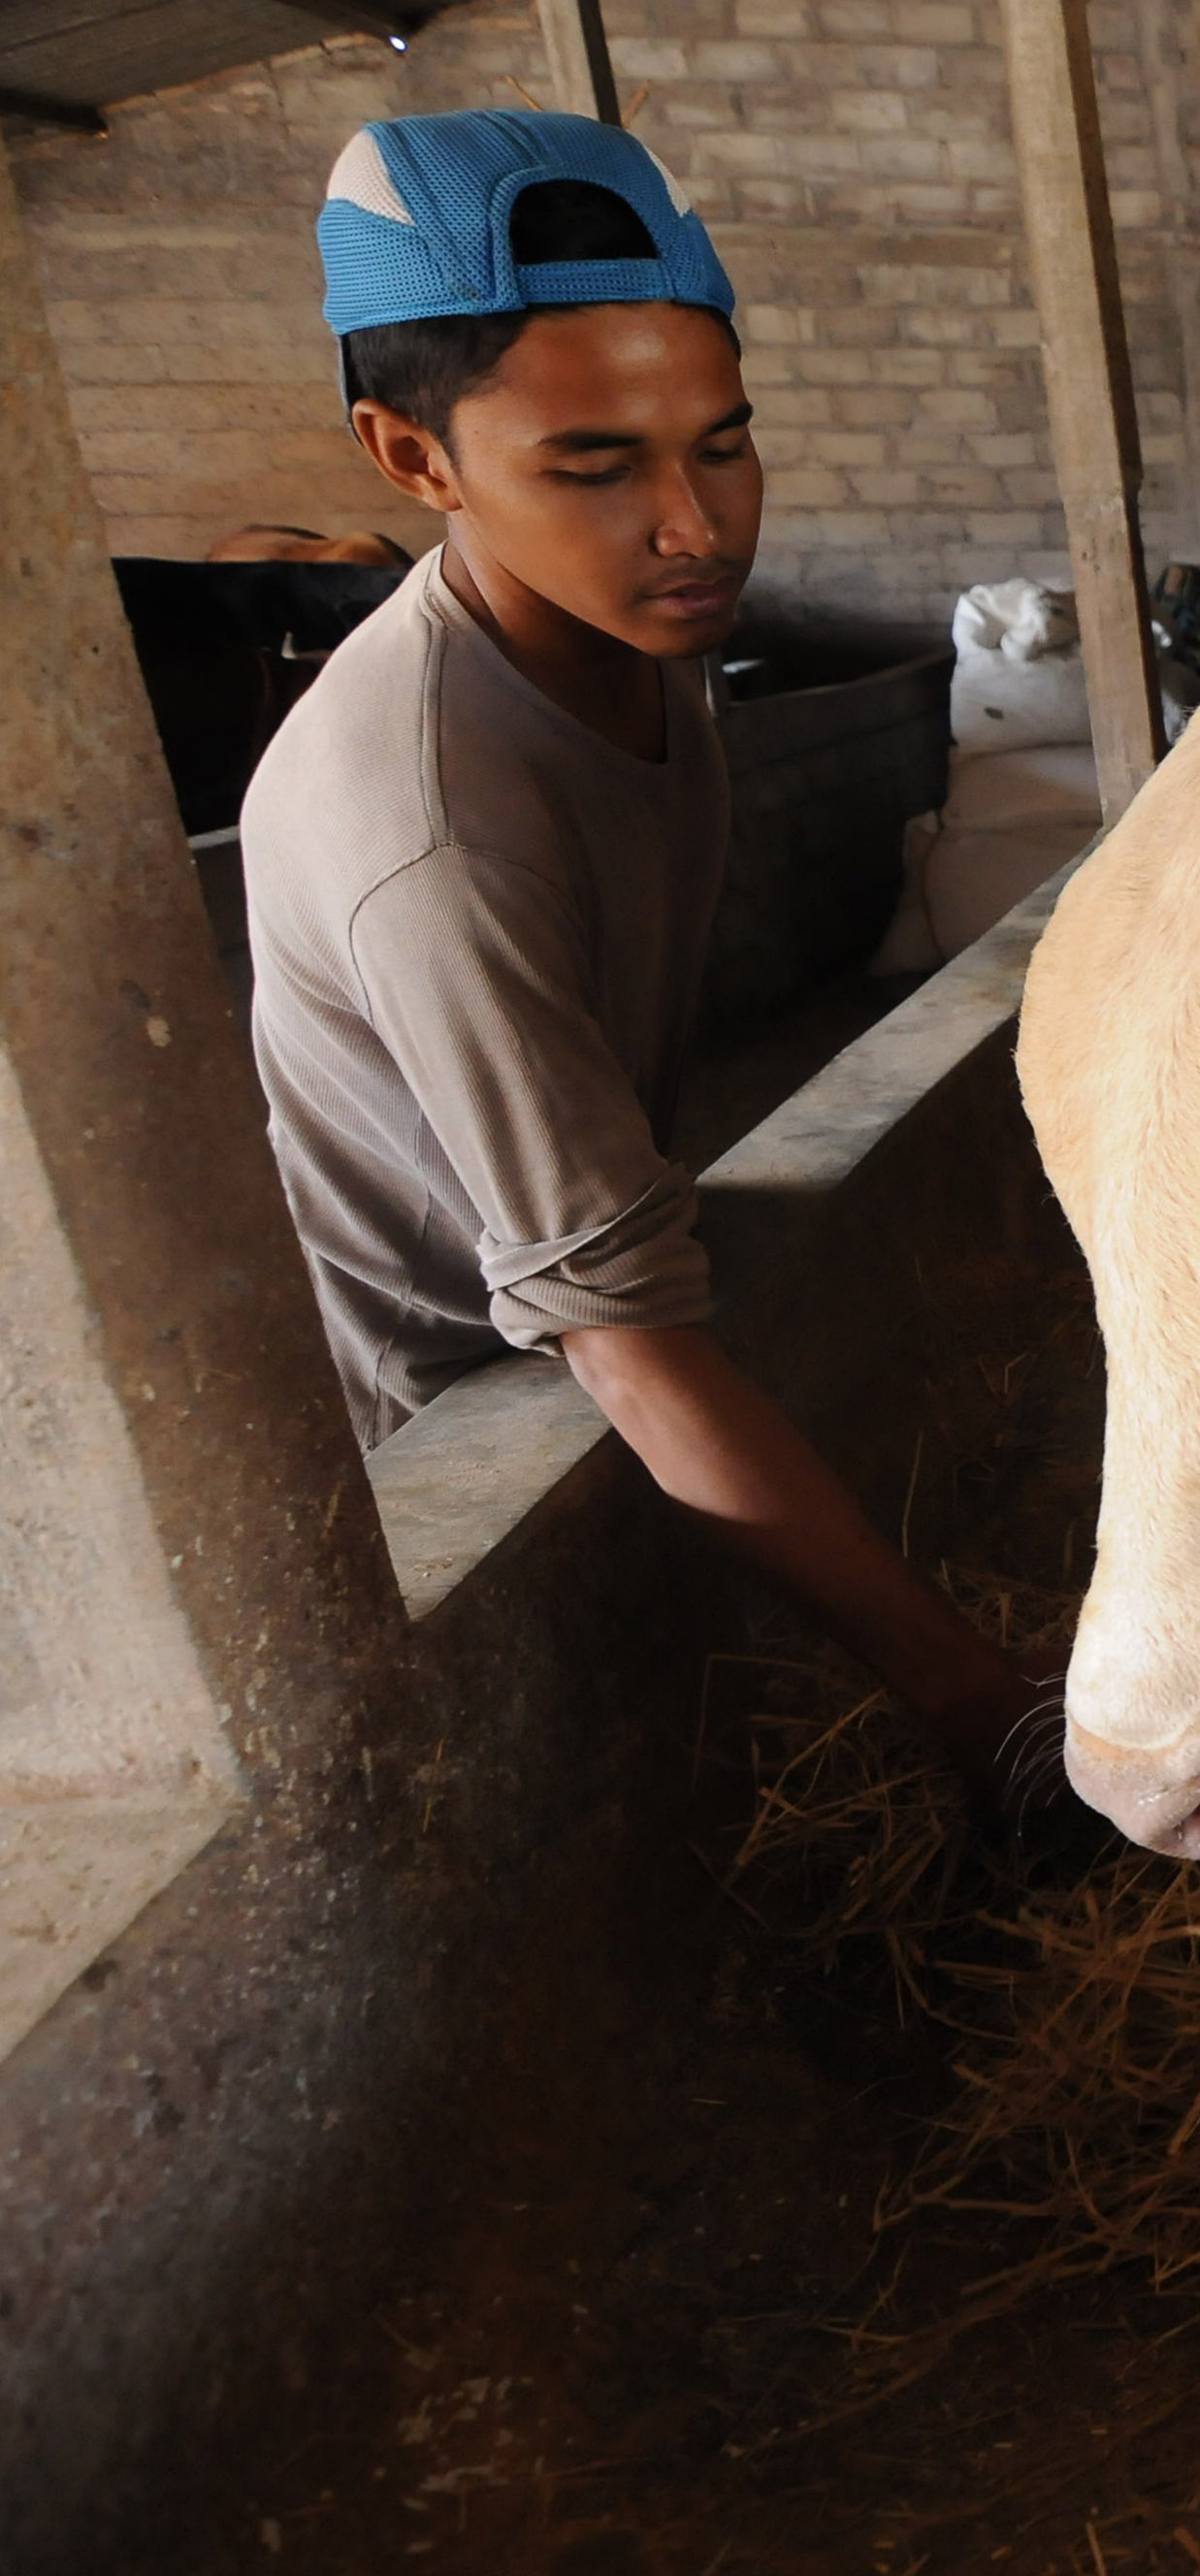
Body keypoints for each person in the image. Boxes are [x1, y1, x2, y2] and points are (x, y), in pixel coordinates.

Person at [242, 111, 1042, 1813]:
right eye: (596, 467)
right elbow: (617, 1343)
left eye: (724, 444)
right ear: (414, 460)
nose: (696, 525)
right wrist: (987, 1709)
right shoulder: (433, 823)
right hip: (470, 1391)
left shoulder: (637, 641)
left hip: (598, 1304)